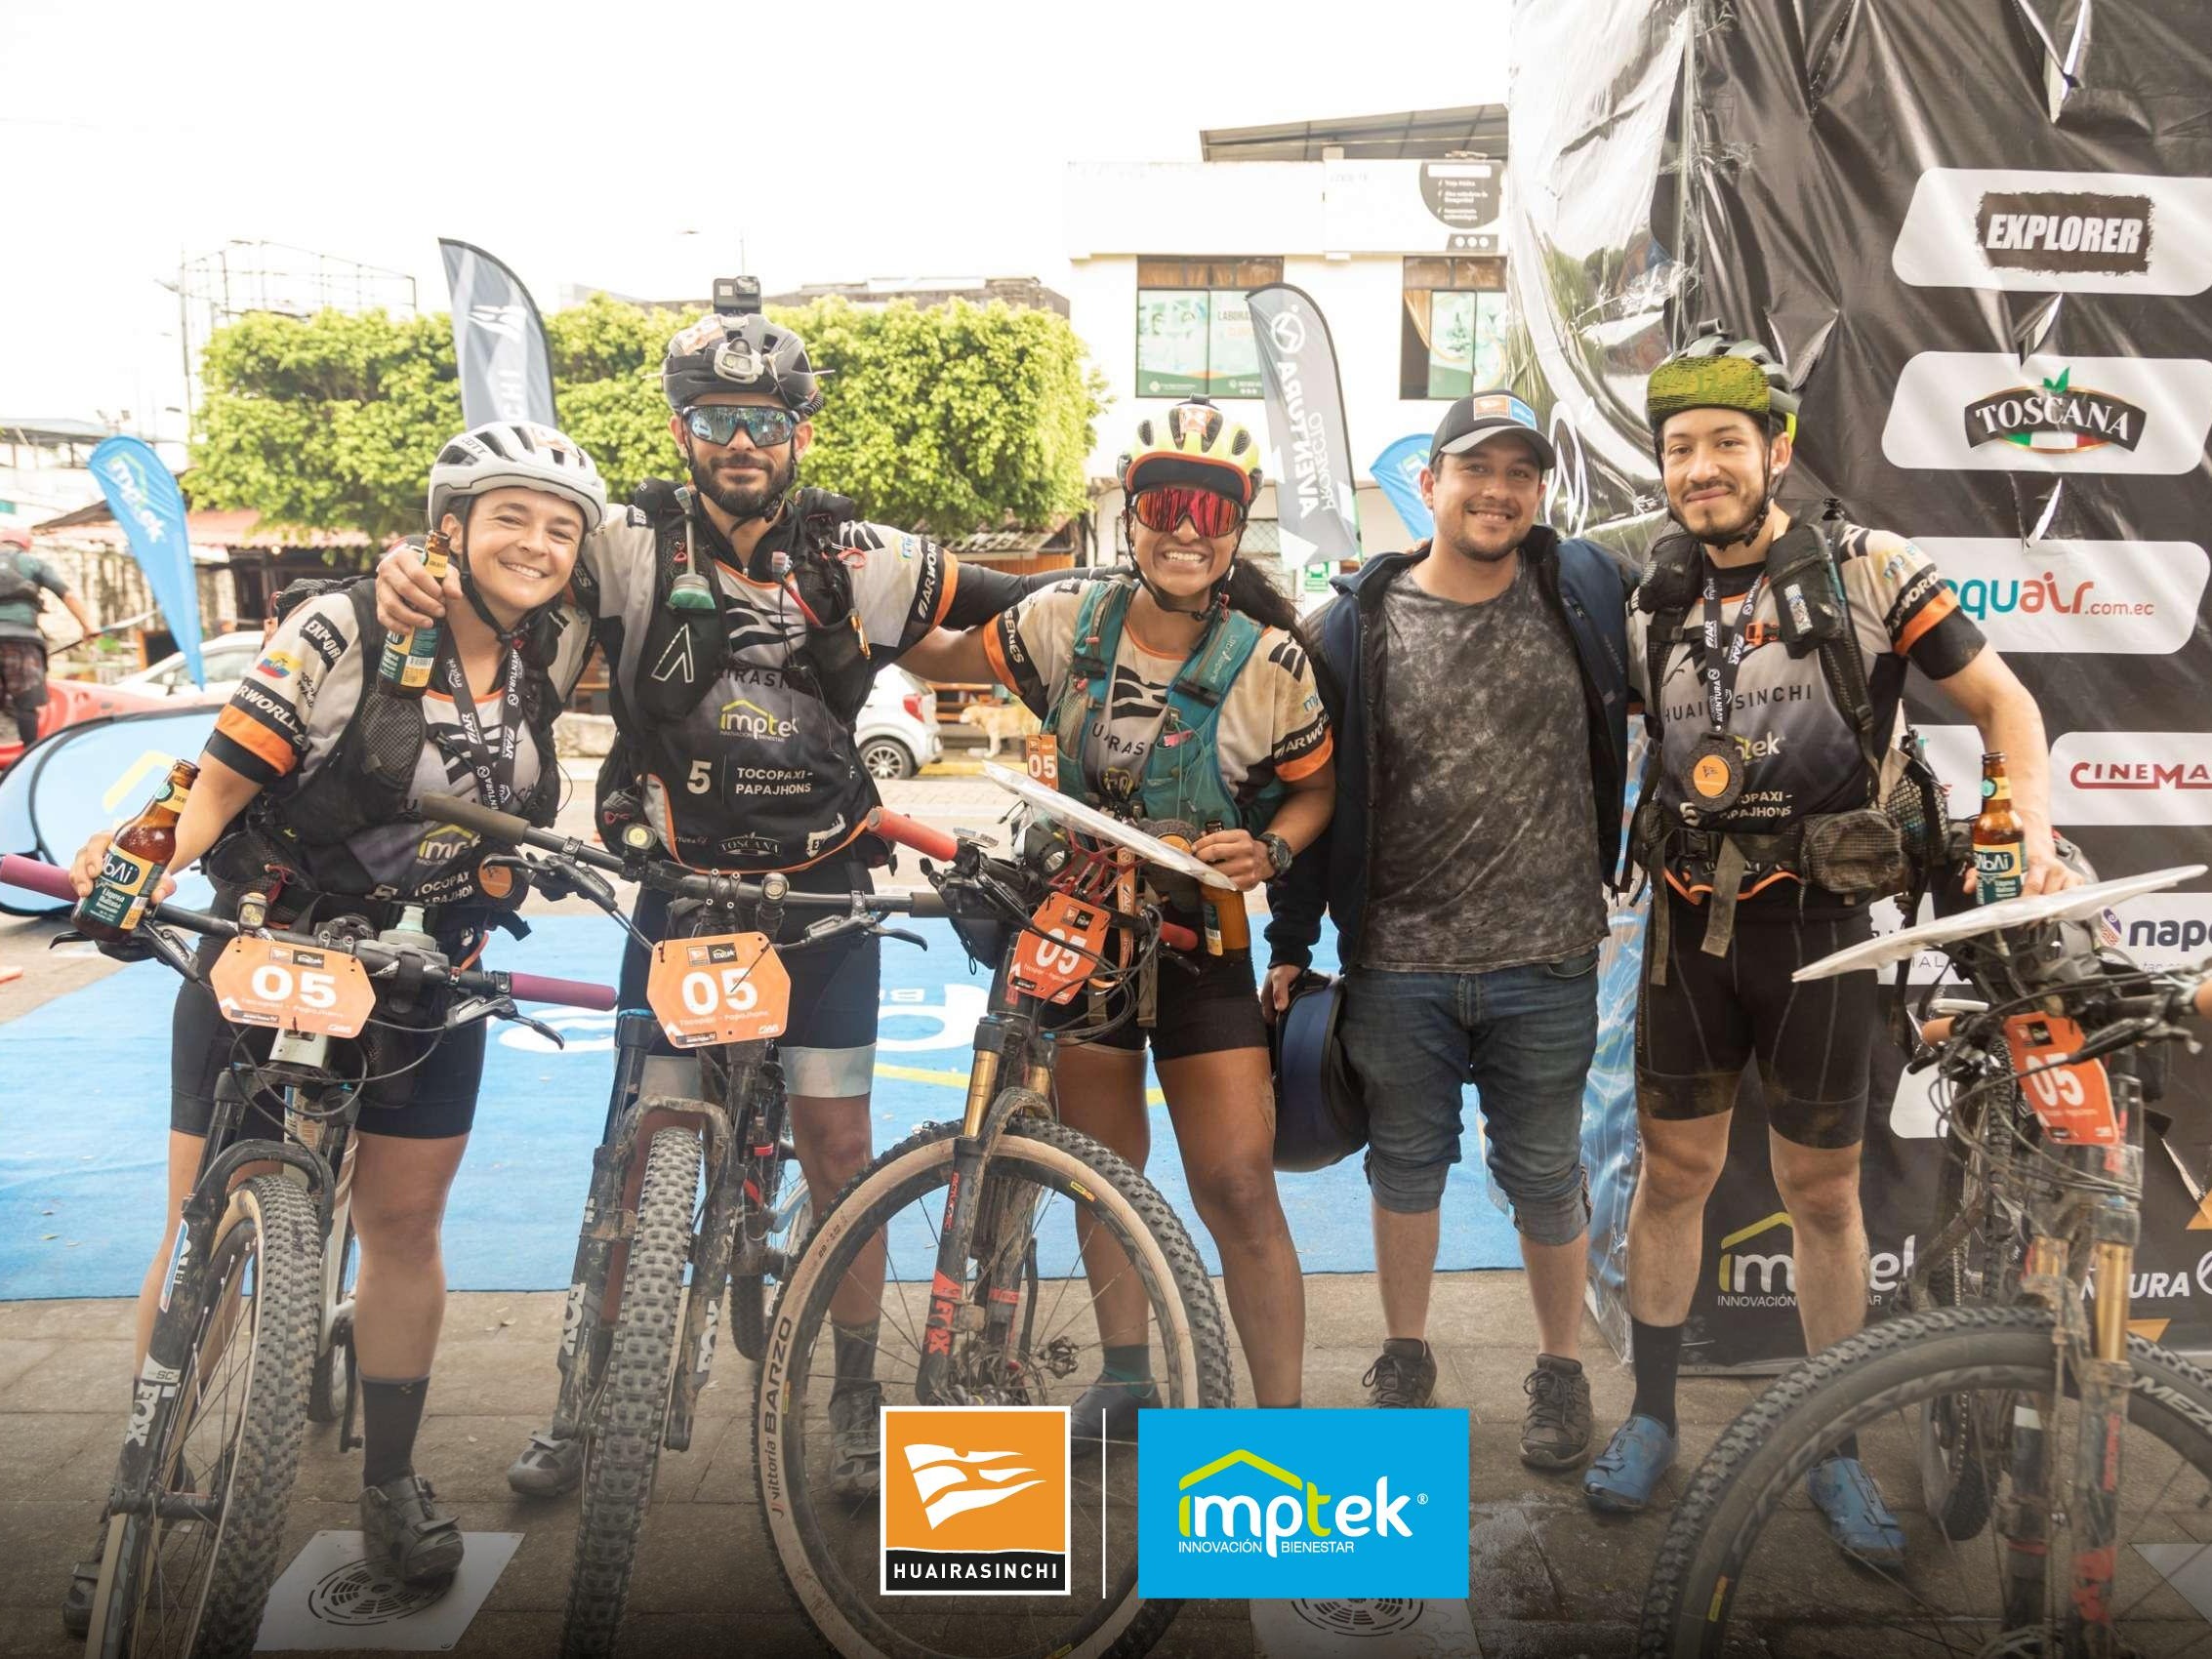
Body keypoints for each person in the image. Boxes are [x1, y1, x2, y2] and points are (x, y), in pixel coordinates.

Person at [376, 305, 1090, 1501]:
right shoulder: (620, 540)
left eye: (765, 420)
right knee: (646, 1137)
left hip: (822, 887)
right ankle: (586, 1393)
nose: (741, 441)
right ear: (682, 427)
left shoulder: (860, 555)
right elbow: (505, 573)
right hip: (682, 885)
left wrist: (1153, 591)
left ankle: (857, 1395)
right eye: (717, 420)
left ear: (798, 431)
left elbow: (1013, 594)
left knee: (842, 1147)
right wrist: (410, 563)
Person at [60, 423, 605, 1625]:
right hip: (275, 945)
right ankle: (140, 1488)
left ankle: (391, 1484)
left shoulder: (549, 651)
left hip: (428, 976)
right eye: (509, 516)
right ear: (447, 527)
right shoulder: (344, 625)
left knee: (404, 1225)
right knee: (199, 1223)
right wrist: (144, 859)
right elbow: (220, 775)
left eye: (561, 526)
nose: (538, 543)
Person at [1582, 323, 2077, 1557]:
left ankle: (1833, 1442)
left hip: (1822, 932)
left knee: (1821, 1192)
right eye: (1680, 447)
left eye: (1725, 443)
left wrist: (2026, 829)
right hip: (1689, 931)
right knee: (1673, 1176)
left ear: (1778, 449)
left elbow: (2004, 703)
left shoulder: (1872, 567)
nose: (1700, 467)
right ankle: (1648, 1417)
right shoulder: (1651, 591)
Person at [902, 398, 1334, 1438]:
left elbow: (1316, 790)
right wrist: (867, 573)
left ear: (1237, 529)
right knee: (1104, 1171)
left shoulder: (1272, 664)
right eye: (1164, 506)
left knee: (1235, 1183)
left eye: (1210, 510)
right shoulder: (1065, 621)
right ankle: (1128, 1376)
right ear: (1130, 516)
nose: (1186, 529)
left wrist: (1270, 848)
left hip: (1200, 946)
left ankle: (1278, 1432)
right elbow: (934, 656)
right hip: (1078, 937)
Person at [1263, 392, 1632, 1471]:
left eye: (1522, 472)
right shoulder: (1348, 627)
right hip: (1398, 962)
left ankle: (1559, 1368)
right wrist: (1289, 940)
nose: (1500, 490)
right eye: (1478, 469)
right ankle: (1406, 1349)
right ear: (1427, 482)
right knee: (1404, 1169)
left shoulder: (1582, 592)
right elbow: (1309, 785)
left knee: (1544, 1174)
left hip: (1549, 953)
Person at [0, 525, 97, 749]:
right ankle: (28, 759)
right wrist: (88, 626)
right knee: (26, 704)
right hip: (23, 642)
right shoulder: (32, 563)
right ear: (25, 545)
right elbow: (67, 594)